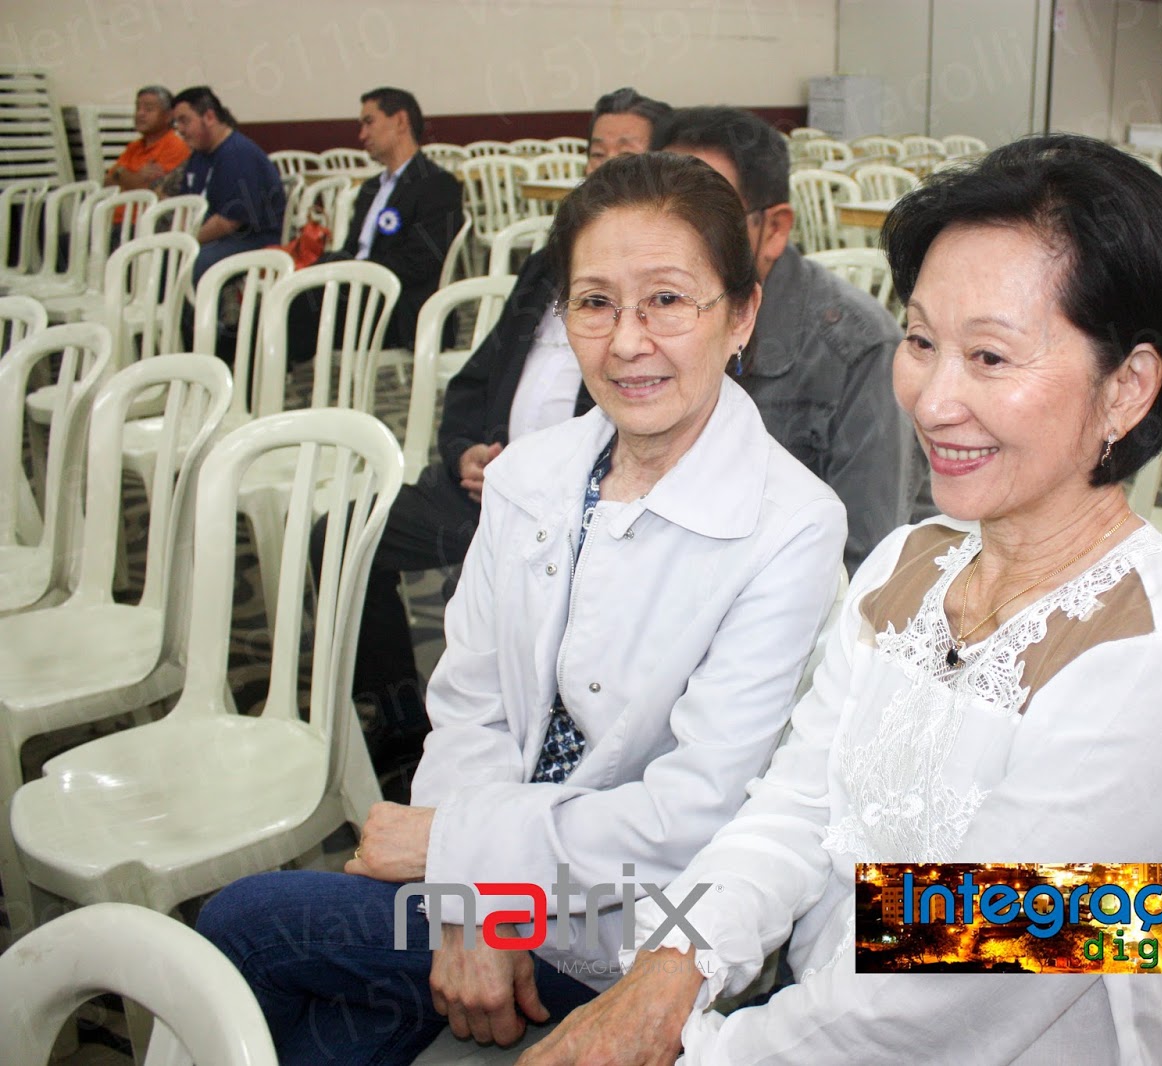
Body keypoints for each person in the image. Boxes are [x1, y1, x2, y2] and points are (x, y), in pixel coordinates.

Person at [521, 135, 1162, 1065]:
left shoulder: (1150, 668)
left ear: (1128, 387)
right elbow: (795, 808)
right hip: (810, 1018)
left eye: (990, 356)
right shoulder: (910, 563)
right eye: (921, 341)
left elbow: (944, 999)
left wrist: (699, 1048)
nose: (933, 400)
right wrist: (673, 966)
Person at [198, 150, 849, 1066]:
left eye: (667, 301)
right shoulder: (532, 476)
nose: (627, 342)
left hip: (641, 921)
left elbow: (688, 818)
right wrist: (470, 900)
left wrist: (458, 852)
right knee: (334, 1019)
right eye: (594, 303)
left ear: (740, 315)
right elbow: (471, 708)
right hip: (494, 874)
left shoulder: (790, 523)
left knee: (250, 925)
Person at [346, 87, 670, 771]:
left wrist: (534, 478)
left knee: (493, 606)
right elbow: (475, 379)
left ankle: (519, 749)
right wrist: (463, 451)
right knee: (346, 537)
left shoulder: (664, 298)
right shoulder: (549, 265)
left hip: (566, 512)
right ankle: (402, 724)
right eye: (596, 152)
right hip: (483, 485)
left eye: (627, 153)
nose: (605, 167)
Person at [654, 106, 906, 573]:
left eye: (706, 217)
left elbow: (866, 562)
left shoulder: (857, 350)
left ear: (772, 230)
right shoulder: (641, 322)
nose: (673, 240)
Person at [286, 87, 463, 359]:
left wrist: (353, 272)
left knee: (293, 306)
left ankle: (247, 369)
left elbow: (421, 262)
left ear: (400, 121)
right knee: (284, 297)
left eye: (369, 123)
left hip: (398, 304)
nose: (362, 135)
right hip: (355, 292)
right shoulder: (371, 189)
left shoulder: (437, 185)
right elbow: (353, 249)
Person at [170, 85, 285, 280]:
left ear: (209, 117)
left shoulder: (238, 154)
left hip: (253, 240)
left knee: (193, 263)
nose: (179, 130)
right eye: (176, 123)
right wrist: (176, 241)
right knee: (161, 257)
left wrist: (185, 242)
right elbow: (185, 205)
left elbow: (228, 223)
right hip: (215, 237)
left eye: (184, 121)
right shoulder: (199, 155)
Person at [104, 85, 188, 193]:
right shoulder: (134, 146)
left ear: (168, 116)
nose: (140, 114)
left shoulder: (176, 146)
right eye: (138, 108)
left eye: (149, 109)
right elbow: (107, 183)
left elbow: (149, 190)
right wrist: (130, 175)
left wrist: (120, 174)